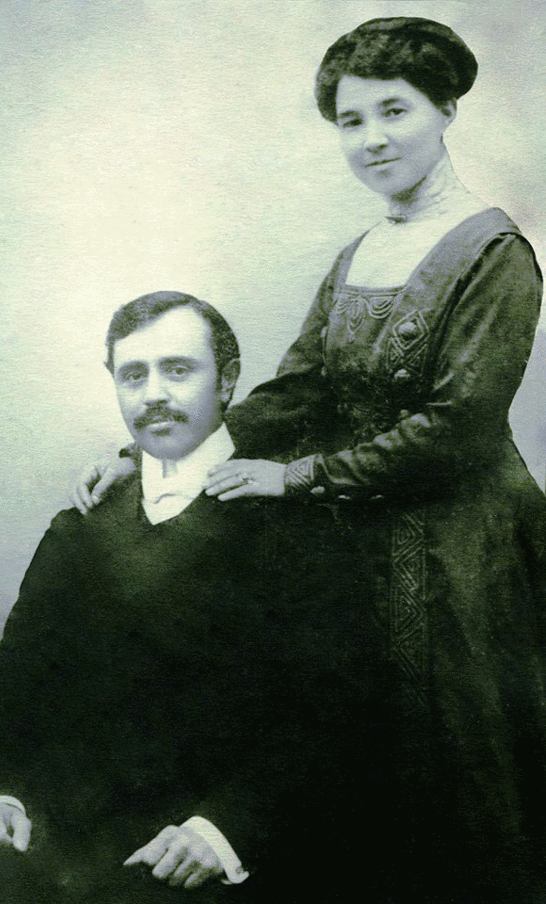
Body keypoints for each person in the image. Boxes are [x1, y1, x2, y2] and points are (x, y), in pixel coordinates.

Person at [72, 18, 546, 904]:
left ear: (447, 110)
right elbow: (299, 389)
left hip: (461, 552)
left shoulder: (496, 253)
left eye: (394, 111)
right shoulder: (359, 253)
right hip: (354, 538)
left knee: (457, 764)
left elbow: (458, 430)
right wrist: (150, 448)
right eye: (350, 121)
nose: (372, 140)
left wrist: (296, 478)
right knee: (343, 735)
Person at [0, 292, 381, 903]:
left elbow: (335, 716)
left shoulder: (300, 530)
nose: (153, 393)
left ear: (227, 381)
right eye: (133, 375)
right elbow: (8, 695)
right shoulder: (78, 530)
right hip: (61, 847)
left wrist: (223, 832)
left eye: (178, 370)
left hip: (219, 859)